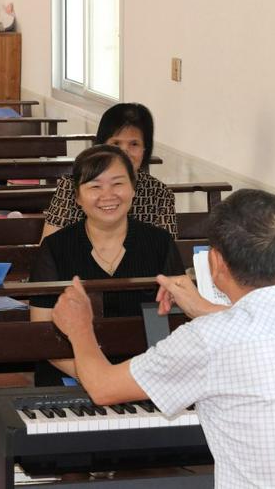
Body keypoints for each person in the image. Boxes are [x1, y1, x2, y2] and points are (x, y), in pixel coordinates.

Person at [51, 189, 275, 487]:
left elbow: (103, 387)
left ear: (214, 262)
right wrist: (204, 308)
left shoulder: (207, 340)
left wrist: (79, 327)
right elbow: (265, 324)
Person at [29, 145, 184, 386]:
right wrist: (96, 378)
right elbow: (42, 332)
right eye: (95, 186)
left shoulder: (160, 243)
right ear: (77, 197)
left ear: (133, 188)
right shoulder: (55, 247)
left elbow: (177, 326)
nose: (108, 195)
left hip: (145, 376)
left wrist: (132, 379)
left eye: (117, 183)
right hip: (71, 373)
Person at [42, 102, 176, 239]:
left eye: (134, 144)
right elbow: (50, 246)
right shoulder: (72, 186)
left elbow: (166, 248)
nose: (124, 152)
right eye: (116, 143)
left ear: (145, 149)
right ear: (101, 146)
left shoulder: (159, 193)